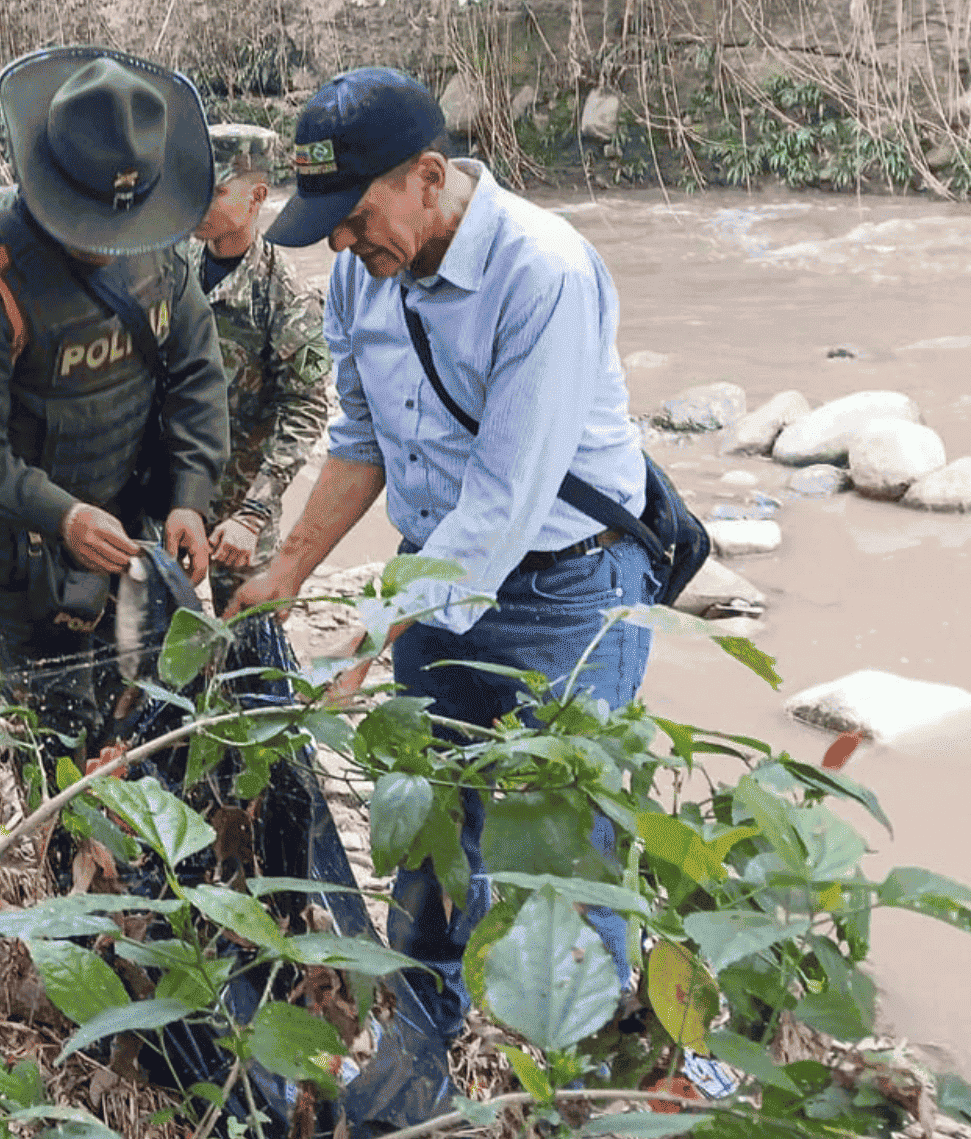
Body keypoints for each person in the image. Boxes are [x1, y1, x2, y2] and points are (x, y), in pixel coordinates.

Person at [225, 67, 654, 1129]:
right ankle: (418, 1072)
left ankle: (600, 1088)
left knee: (566, 861)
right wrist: (290, 569)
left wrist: (368, 633)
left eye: (353, 217)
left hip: (564, 596)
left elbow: (506, 504)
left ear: (428, 176)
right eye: (322, 224)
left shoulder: (542, 271)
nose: (337, 245)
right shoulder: (362, 273)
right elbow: (358, 441)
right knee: (425, 848)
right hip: (433, 587)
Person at [0, 45, 229, 770]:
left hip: (129, 530)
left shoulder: (159, 246)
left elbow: (194, 374)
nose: (106, 246)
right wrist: (62, 515)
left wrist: (190, 496)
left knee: (142, 721)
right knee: (53, 743)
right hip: (22, 552)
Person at [184, 123, 332, 615]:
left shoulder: (288, 297)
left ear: (257, 197)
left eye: (217, 190)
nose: (198, 201)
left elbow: (308, 409)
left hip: (238, 510)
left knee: (249, 644)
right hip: (170, 494)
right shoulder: (172, 266)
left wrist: (252, 513)